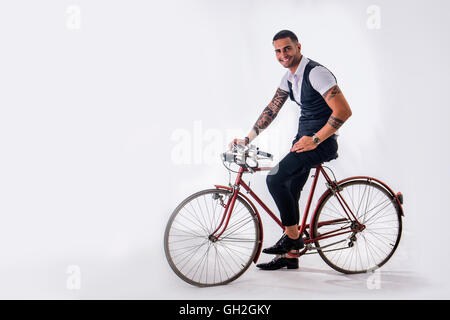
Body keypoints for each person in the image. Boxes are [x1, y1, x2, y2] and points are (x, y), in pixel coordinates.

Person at [228, 30, 352, 270]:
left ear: (298, 47)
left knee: (275, 180)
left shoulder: (316, 73)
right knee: (291, 189)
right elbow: (271, 110)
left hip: (320, 143)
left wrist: (315, 140)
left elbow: (343, 111)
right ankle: (291, 255)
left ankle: (294, 238)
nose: (283, 54)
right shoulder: (289, 77)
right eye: (278, 50)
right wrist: (247, 138)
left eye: (287, 48)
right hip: (303, 141)